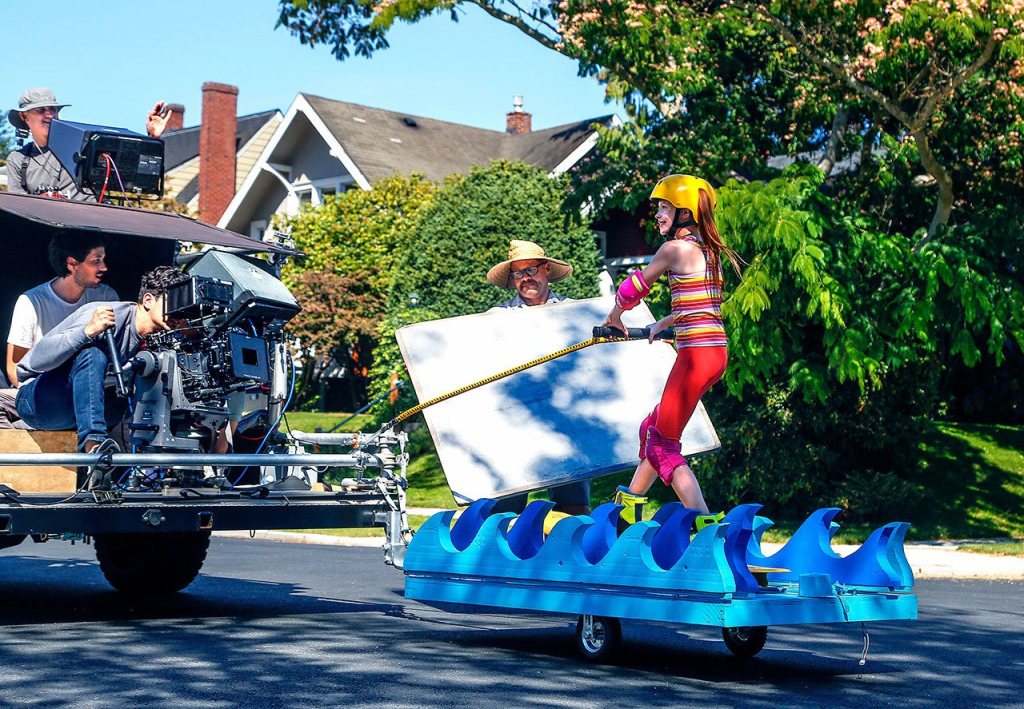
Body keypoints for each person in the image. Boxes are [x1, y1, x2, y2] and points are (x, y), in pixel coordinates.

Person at [602, 175, 742, 526]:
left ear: (684, 213)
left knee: (662, 445)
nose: (658, 215)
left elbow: (634, 288)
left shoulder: (672, 250)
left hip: (695, 357)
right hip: (714, 355)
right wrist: (662, 325)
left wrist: (614, 316)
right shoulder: (708, 252)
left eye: (665, 208)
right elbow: (702, 305)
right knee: (655, 427)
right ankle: (628, 507)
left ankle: (705, 525)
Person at [15, 266, 190, 462]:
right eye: (175, 303)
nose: (180, 314)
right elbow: (36, 360)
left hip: (83, 410)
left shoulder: (160, 341)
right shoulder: (108, 314)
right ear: (148, 300)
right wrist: (87, 332)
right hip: (38, 402)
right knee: (92, 354)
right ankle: (94, 448)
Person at [486, 239, 591, 516]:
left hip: (567, 419)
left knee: (574, 506)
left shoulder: (573, 313)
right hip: (516, 419)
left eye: (531, 270)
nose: (525, 278)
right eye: (518, 273)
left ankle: (571, 556)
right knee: (507, 506)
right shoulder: (497, 318)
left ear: (546, 270)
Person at [5, 87, 174, 201]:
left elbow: (128, 171)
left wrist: (151, 138)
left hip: (87, 233)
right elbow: (19, 208)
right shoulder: (19, 160)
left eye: (53, 109)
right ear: (24, 117)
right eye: (41, 110)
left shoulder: (82, 145)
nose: (49, 114)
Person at [6, 233, 119, 386]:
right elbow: (14, 368)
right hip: (42, 391)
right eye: (96, 261)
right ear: (72, 264)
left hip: (89, 389)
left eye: (103, 260)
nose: (104, 267)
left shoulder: (106, 296)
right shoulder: (31, 302)